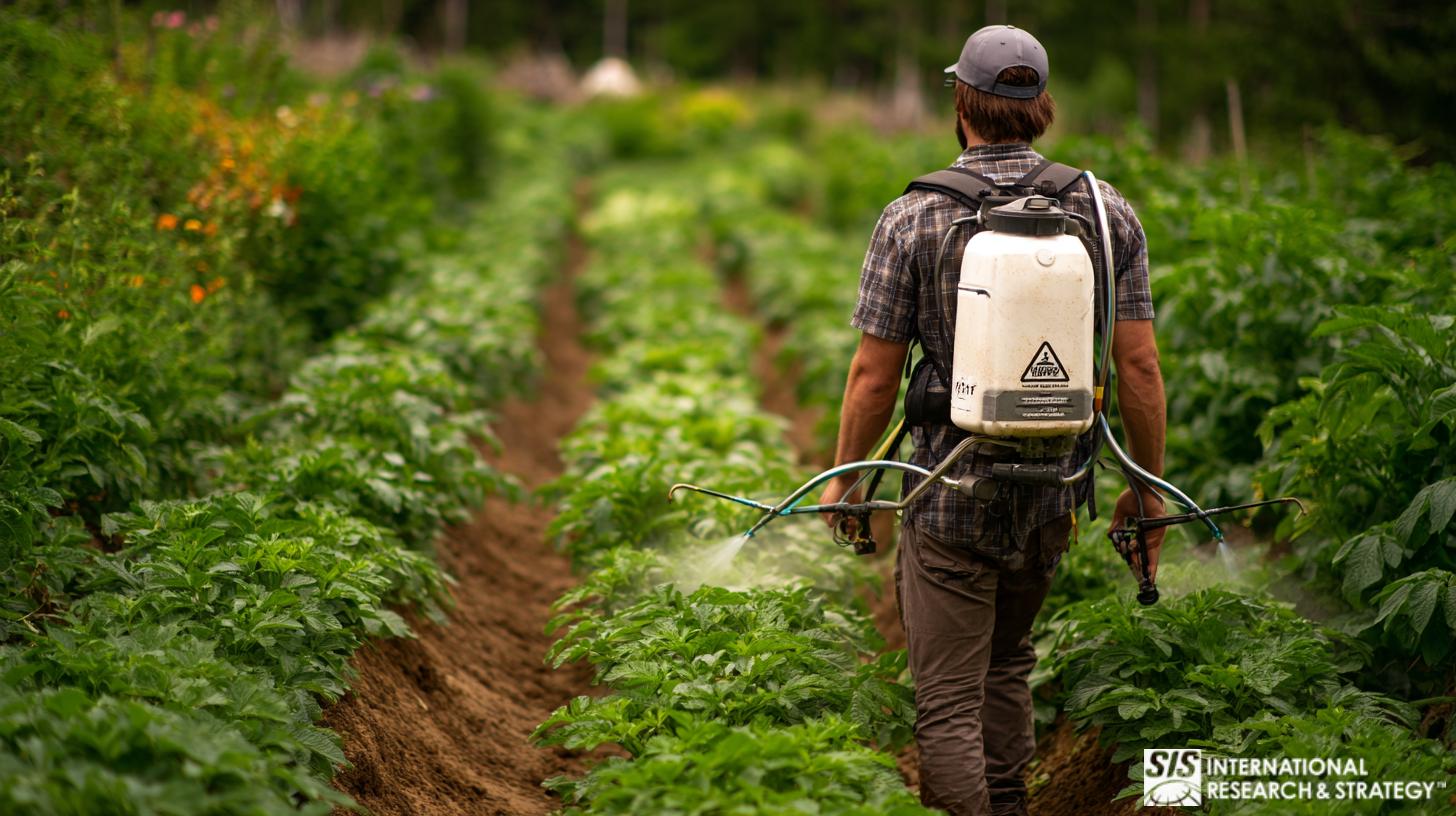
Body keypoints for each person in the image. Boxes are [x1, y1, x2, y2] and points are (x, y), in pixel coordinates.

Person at [818, 24, 1168, 816]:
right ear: (1040, 104)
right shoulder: (1105, 211)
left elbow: (875, 376)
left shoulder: (911, 218)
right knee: (1009, 664)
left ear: (962, 102)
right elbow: (1137, 368)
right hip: (1053, 492)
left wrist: (847, 479)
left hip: (947, 495)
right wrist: (1149, 491)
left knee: (945, 701)